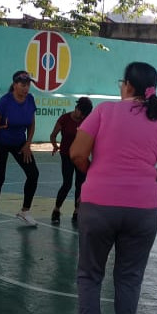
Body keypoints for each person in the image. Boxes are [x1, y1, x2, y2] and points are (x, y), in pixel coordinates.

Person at [68, 62, 157, 314]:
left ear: (128, 85)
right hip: (143, 210)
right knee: (130, 276)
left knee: (90, 272)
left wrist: (98, 175)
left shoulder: (103, 112)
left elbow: (77, 153)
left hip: (99, 204)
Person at [0, 70, 39, 227]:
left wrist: (28, 144)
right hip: (2, 142)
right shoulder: (5, 101)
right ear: (15, 85)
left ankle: (25, 211)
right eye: (23, 84)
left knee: (33, 174)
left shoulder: (30, 100)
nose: (26, 88)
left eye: (28, 85)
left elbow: (31, 123)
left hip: (19, 143)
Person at [49, 96, 93, 224]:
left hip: (81, 156)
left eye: (85, 115)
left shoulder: (86, 121)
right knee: (67, 183)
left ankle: (77, 211)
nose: (82, 116)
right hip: (66, 155)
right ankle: (56, 210)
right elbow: (53, 135)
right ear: (76, 108)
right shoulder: (65, 119)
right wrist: (55, 145)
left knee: (80, 184)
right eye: (81, 113)